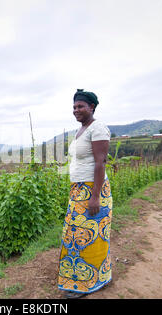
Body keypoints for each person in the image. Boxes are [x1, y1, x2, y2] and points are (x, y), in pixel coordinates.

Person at [58, 89, 113, 299]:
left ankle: (89, 283)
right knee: (75, 236)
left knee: (88, 238)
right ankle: (86, 279)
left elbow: (100, 162)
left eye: (80, 106)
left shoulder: (98, 128)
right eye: (74, 107)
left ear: (92, 107)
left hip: (93, 190)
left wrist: (95, 196)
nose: (76, 110)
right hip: (79, 190)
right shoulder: (80, 130)